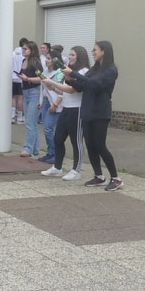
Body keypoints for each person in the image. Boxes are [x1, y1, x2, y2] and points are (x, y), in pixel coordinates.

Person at [64, 41, 122, 191]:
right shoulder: (94, 69)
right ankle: (99, 176)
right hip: (87, 111)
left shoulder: (110, 70)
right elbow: (82, 86)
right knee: (90, 145)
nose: (93, 52)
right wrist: (69, 79)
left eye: (95, 50)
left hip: (100, 112)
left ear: (104, 51)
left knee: (100, 145)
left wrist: (73, 73)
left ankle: (116, 178)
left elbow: (95, 84)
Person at [41, 46, 90, 180]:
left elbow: (72, 90)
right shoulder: (69, 71)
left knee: (76, 141)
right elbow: (64, 90)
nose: (70, 57)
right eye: (69, 54)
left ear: (80, 56)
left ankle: (76, 170)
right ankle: (57, 168)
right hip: (66, 108)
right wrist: (52, 87)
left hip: (77, 109)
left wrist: (53, 82)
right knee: (58, 138)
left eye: (73, 55)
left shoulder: (83, 71)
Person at [38, 49, 65, 163]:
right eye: (46, 58)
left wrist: (56, 104)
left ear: (55, 60)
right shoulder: (45, 71)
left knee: (48, 129)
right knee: (46, 128)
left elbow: (62, 91)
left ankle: (55, 154)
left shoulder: (59, 73)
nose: (46, 60)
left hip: (54, 103)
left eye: (49, 58)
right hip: (46, 101)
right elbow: (43, 88)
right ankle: (50, 153)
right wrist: (40, 101)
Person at [17, 41, 43, 157]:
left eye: (25, 49)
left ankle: (28, 148)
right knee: (31, 122)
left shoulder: (35, 62)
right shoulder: (24, 61)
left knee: (29, 122)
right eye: (22, 48)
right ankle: (35, 148)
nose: (23, 50)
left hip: (34, 93)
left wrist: (27, 79)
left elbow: (41, 78)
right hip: (26, 92)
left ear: (32, 50)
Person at [12, 38, 28, 123]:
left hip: (13, 77)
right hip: (21, 78)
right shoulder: (24, 55)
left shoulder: (12, 53)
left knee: (13, 97)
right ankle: (19, 117)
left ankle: (12, 116)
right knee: (21, 98)